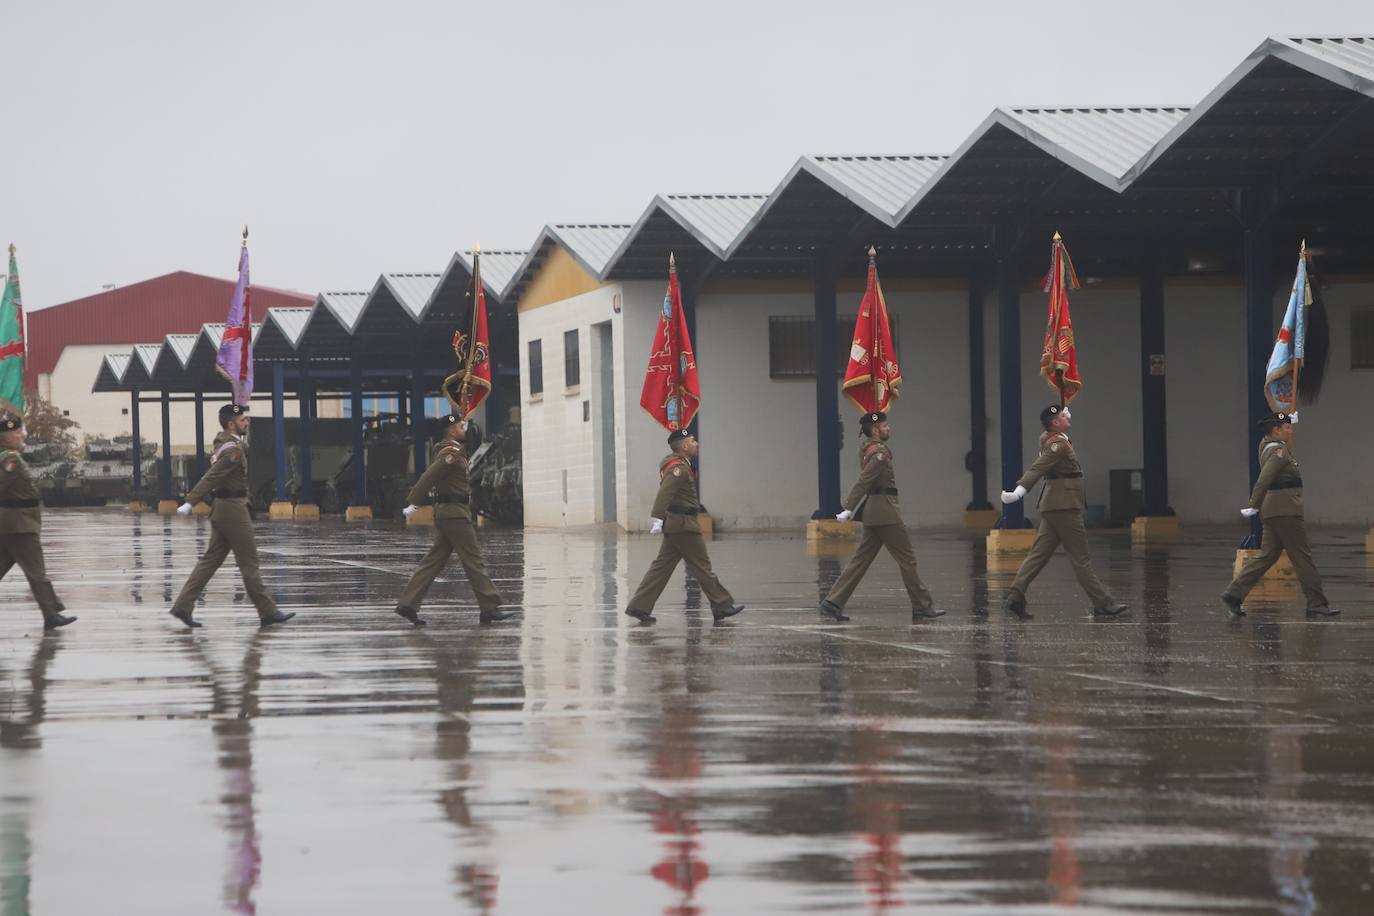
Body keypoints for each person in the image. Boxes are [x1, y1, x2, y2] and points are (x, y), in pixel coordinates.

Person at [170, 403, 294, 629]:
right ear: (231, 424)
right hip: (233, 511)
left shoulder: (227, 444)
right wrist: (190, 501)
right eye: (242, 420)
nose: (246, 422)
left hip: (223, 509)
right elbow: (212, 476)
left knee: (209, 562)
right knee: (249, 563)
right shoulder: (231, 451)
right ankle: (268, 611)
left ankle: (182, 606)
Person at [1000, 404, 1127, 620]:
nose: (1068, 417)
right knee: (1081, 559)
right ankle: (1103, 603)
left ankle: (1015, 596)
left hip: (1054, 506)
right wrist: (1019, 492)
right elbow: (1038, 468)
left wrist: (1061, 422)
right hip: (1065, 507)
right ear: (1055, 423)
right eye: (1062, 416)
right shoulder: (1057, 444)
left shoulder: (1055, 439)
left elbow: (1051, 439)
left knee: (1038, 555)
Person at [819, 411, 944, 622]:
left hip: (873, 513)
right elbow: (864, 481)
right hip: (886, 513)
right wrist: (848, 507)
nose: (888, 428)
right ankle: (922, 605)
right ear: (876, 430)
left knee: (860, 560)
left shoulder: (867, 449)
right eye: (885, 426)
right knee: (907, 560)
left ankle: (833, 602)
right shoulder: (879, 453)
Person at [396, 413, 515, 626]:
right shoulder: (451, 452)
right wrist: (413, 501)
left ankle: (408, 604)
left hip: (449, 513)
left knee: (433, 561)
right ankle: (489, 607)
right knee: (473, 560)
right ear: (451, 431)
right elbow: (429, 476)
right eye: (461, 427)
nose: (464, 430)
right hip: (455, 514)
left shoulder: (450, 449)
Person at [1221, 411, 1339, 618]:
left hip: (1274, 511)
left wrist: (1290, 418)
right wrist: (1253, 504)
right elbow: (1264, 479)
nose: (1290, 431)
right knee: (1302, 557)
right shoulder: (1279, 450)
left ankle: (1234, 594)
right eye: (1287, 427)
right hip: (1286, 511)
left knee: (1267, 556)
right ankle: (1317, 603)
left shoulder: (1266, 445)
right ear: (1276, 430)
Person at [625, 429, 742, 624]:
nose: (697, 444)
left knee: (661, 567)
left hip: (677, 524)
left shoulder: (682, 464)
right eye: (693, 441)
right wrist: (657, 518)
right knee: (702, 567)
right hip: (684, 525)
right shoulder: (678, 468)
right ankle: (722, 605)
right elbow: (665, 493)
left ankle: (639, 606)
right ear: (685, 446)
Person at [0, 412, 76, 629]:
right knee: (36, 572)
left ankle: (52, 611)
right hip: (20, 526)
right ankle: (51, 613)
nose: (21, 435)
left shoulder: (9, 456)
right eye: (16, 432)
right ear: (5, 436)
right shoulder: (11, 459)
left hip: (11, 524)